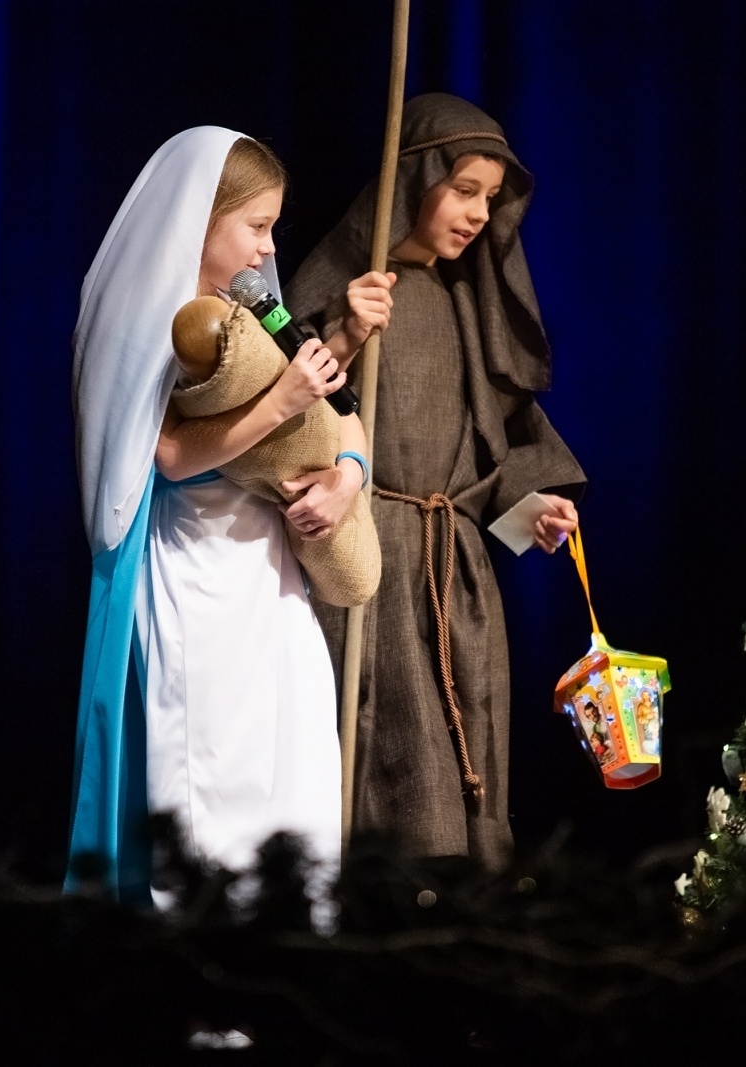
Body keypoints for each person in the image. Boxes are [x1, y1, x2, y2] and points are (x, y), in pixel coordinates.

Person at [66, 129, 393, 904]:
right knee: (215, 774)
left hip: (271, 574)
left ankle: (289, 962)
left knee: (298, 759)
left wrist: (348, 476)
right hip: (198, 571)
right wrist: (282, 401)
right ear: (201, 220)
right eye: (255, 227)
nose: (266, 248)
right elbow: (171, 456)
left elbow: (339, 409)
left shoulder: (260, 313)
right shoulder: (160, 319)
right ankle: (208, 989)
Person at [287, 94, 585, 868]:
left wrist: (532, 512)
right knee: (388, 755)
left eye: (490, 197)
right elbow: (288, 420)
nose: (480, 213)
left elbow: (486, 459)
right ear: (414, 181)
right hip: (370, 561)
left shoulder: (464, 302)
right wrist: (347, 334)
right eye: (464, 190)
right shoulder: (346, 288)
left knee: (467, 757)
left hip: (452, 574)